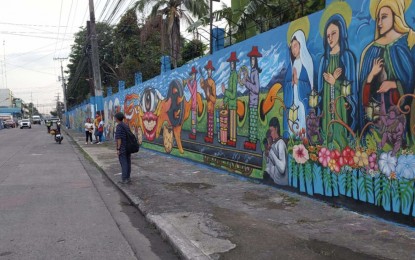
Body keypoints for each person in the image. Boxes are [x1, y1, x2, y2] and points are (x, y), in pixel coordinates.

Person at [360, 0, 415, 141]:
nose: (379, 22)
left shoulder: (408, 42)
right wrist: (372, 74)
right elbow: (364, 89)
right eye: (378, 18)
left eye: (384, 17)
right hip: (377, 113)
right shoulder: (371, 50)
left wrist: (394, 84)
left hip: (399, 111)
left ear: (395, 16)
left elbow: (411, 78)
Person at [318, 14, 358, 148]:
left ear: (341, 33)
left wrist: (335, 81)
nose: (330, 38)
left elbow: (351, 87)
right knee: (327, 130)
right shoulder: (324, 60)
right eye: (328, 35)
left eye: (333, 33)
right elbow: (320, 87)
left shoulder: (347, 57)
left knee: (340, 132)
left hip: (341, 104)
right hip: (327, 103)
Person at [283, 30, 313, 138]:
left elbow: (311, 87)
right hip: (292, 101)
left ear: (301, 44)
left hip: (302, 104)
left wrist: (298, 82)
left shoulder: (307, 63)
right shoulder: (291, 66)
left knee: (302, 128)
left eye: (295, 46)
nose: (293, 49)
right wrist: (291, 84)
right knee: (292, 126)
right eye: (291, 47)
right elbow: (285, 84)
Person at [241, 46, 262, 151]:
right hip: (252, 101)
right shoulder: (253, 71)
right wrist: (247, 79)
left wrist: (246, 83)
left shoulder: (255, 72)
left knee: (253, 123)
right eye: (251, 59)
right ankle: (251, 141)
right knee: (251, 122)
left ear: (256, 60)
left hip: (254, 102)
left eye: (253, 59)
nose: (252, 61)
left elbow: (256, 89)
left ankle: (253, 142)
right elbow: (252, 83)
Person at [263, 117, 288, 186]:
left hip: (280, 183)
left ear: (276, 129)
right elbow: (271, 164)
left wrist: (272, 153)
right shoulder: (273, 143)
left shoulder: (281, 144)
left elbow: (282, 168)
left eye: (271, 131)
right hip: (274, 181)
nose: (270, 134)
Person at [221, 52, 239, 147]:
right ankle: (231, 139)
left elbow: (233, 94)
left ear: (235, 64)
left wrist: (225, 91)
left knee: (232, 124)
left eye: (233, 63)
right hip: (230, 104)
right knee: (230, 123)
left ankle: (233, 140)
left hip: (233, 104)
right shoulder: (231, 75)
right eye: (230, 63)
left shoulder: (235, 75)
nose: (231, 65)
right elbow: (229, 93)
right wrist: (224, 101)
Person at [200, 60, 217, 143]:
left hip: (211, 106)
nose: (209, 72)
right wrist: (202, 81)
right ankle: (209, 136)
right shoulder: (206, 81)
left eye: (210, 70)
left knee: (211, 122)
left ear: (211, 71)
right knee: (208, 123)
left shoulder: (213, 83)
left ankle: (210, 137)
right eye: (208, 70)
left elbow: (214, 99)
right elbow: (203, 86)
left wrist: (209, 95)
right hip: (207, 105)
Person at [114, 112, 131, 184]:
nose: (114, 119)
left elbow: (119, 139)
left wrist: (118, 149)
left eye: (115, 118)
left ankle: (124, 179)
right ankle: (128, 177)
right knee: (128, 162)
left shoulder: (119, 126)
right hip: (128, 147)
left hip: (122, 147)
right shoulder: (126, 125)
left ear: (117, 118)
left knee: (123, 163)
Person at [187, 66, 198, 140]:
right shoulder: (193, 82)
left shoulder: (195, 82)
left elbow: (192, 92)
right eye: (192, 75)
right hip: (193, 103)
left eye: (194, 75)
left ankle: (194, 133)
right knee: (193, 119)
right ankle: (193, 132)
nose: (193, 76)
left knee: (193, 119)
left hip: (194, 104)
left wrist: (188, 83)